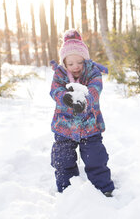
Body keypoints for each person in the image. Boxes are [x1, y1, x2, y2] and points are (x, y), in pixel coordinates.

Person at [49, 29, 115, 197]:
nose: (75, 67)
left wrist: (85, 100)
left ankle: (104, 189)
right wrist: (66, 98)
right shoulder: (60, 74)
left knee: (95, 158)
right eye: (70, 64)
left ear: (85, 59)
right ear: (64, 63)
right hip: (64, 126)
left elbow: (96, 89)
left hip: (90, 125)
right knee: (63, 160)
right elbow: (54, 91)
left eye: (79, 62)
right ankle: (67, 191)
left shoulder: (92, 72)